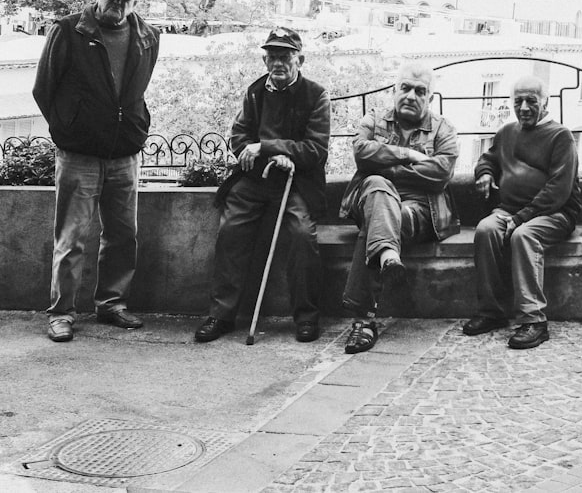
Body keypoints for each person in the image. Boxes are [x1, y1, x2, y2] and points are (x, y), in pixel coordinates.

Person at [33, 0, 160, 343]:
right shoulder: (70, 30)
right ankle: (62, 313)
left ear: (134, 2)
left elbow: (137, 89)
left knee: (123, 234)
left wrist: (134, 129)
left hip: (124, 153)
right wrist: (70, 127)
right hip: (79, 154)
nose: (117, 3)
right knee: (71, 238)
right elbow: (44, 88)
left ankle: (111, 304)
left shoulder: (147, 36)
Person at [195, 27, 330, 344]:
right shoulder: (255, 92)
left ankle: (307, 317)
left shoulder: (316, 95)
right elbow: (239, 137)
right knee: (231, 231)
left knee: (301, 235)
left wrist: (274, 150)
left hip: (298, 182)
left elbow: (316, 150)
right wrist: (252, 152)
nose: (278, 63)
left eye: (285, 56)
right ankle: (222, 314)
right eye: (272, 57)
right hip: (256, 179)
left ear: (300, 59)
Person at [338, 63, 459, 354]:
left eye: (420, 91)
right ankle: (389, 256)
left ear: (429, 98)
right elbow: (361, 151)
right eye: (405, 88)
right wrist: (408, 155)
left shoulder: (444, 130)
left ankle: (363, 321)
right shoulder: (374, 119)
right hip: (370, 198)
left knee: (378, 213)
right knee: (378, 189)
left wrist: (389, 167)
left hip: (420, 210)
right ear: (394, 90)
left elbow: (441, 172)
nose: (411, 95)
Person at [463, 76, 581, 350]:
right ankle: (491, 312)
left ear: (545, 102)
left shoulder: (561, 136)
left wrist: (520, 219)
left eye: (531, 101)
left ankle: (534, 320)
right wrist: (484, 173)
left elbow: (558, 191)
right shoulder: (506, 132)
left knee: (523, 236)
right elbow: (488, 158)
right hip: (510, 209)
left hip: (554, 213)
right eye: (518, 101)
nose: (525, 107)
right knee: (485, 230)